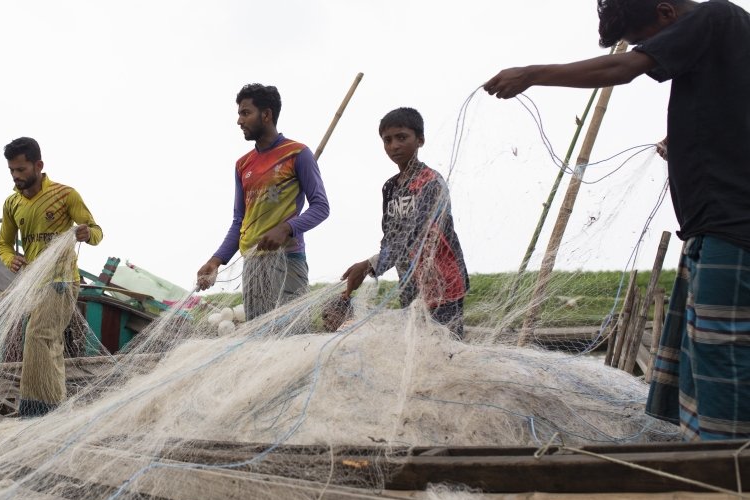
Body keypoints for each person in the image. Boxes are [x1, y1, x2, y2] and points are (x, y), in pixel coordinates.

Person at [483, 0, 750, 441]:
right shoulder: (727, 39)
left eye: (647, 41)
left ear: (667, 13)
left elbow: (622, 69)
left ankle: (728, 487)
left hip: (731, 232)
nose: (649, 51)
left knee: (724, 366)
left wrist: (531, 73)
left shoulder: (713, 16)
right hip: (715, 229)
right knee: (700, 366)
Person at [195, 83, 331, 321]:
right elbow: (240, 221)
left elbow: (321, 207)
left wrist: (287, 228)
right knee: (257, 339)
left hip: (288, 260)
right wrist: (216, 260)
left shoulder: (298, 153)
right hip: (253, 265)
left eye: (245, 113)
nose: (239, 121)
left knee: (290, 337)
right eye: (239, 113)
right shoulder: (243, 164)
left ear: (266, 115)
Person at [335, 107, 469, 338]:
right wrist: (371, 265)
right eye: (387, 140)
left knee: (443, 351)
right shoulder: (390, 188)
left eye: (401, 138)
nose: (394, 146)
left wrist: (369, 265)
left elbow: (416, 233)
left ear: (420, 140)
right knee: (415, 352)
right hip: (410, 286)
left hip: (443, 286)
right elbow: (390, 238)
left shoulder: (432, 183)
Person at [0, 137, 103, 418]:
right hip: (33, 284)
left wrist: (86, 233)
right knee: (49, 342)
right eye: (12, 171)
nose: (16, 176)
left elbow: (96, 231)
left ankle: (39, 409)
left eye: (21, 170)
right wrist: (11, 259)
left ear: (38, 165)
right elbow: (3, 244)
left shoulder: (66, 195)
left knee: (39, 335)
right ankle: (54, 408)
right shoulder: (12, 204)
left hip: (62, 280)